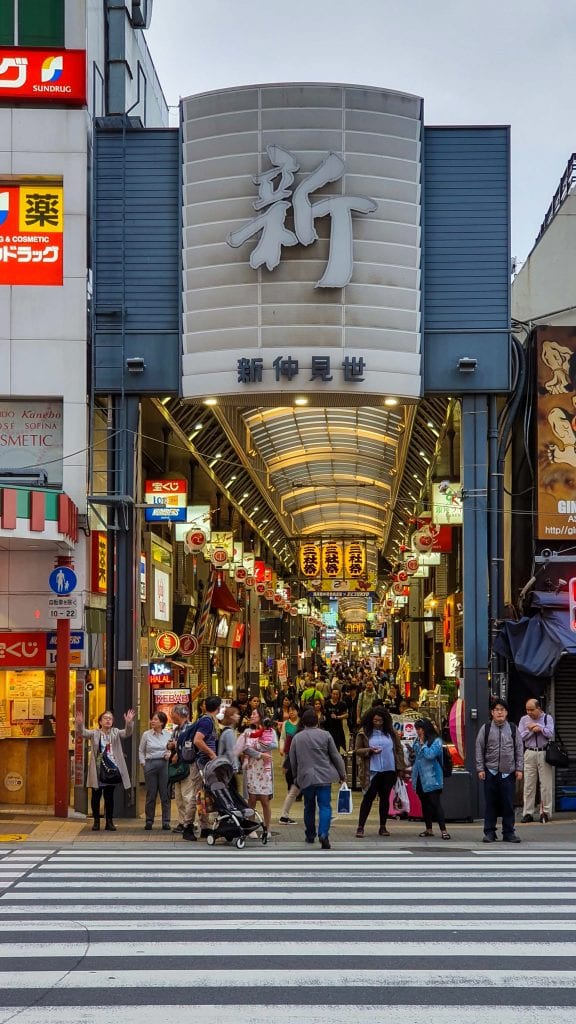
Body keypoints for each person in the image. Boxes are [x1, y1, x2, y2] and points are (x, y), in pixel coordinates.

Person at [289, 708, 346, 850]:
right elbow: (335, 756)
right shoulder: (326, 735)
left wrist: (296, 775)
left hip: (306, 777)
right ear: (317, 721)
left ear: (303, 722)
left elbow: (293, 759)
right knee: (325, 806)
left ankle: (310, 834)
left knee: (309, 806)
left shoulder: (297, 738)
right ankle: (323, 833)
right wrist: (342, 773)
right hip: (324, 775)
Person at [76, 707, 135, 831]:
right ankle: (96, 821)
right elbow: (83, 733)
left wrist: (129, 722)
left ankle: (109, 821)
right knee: (96, 796)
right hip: (98, 767)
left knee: (109, 796)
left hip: (112, 768)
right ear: (100, 721)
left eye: (110, 719)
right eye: (105, 718)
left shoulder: (116, 732)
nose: (108, 720)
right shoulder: (95, 733)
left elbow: (127, 733)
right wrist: (80, 724)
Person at [475, 698, 524, 843]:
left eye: (502, 710)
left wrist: (519, 769)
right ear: (492, 712)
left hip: (508, 772)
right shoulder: (486, 728)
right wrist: (480, 768)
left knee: (508, 804)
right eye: (497, 709)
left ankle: (509, 832)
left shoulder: (513, 729)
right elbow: (479, 749)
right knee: (490, 804)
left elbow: (519, 749)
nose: (499, 712)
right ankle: (489, 832)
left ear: (507, 712)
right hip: (490, 772)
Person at [354, 706, 405, 837]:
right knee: (368, 798)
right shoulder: (364, 732)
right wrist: (369, 751)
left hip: (389, 769)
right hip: (372, 770)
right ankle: (360, 827)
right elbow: (357, 750)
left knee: (385, 799)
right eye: (375, 720)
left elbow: (398, 750)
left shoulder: (391, 733)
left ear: (385, 720)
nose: (377, 723)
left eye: (380, 721)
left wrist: (400, 768)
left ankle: (383, 826)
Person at [183, 694, 222, 841]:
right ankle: (187, 827)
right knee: (196, 795)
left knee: (203, 795)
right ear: (218, 708)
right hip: (200, 763)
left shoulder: (208, 720)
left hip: (204, 763)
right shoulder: (207, 722)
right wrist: (212, 754)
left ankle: (204, 827)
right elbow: (198, 740)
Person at [235, 707, 278, 834]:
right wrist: (259, 754)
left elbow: (274, 744)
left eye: (254, 714)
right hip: (252, 768)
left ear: (260, 716)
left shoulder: (269, 730)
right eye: (251, 714)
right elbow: (245, 748)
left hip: (265, 770)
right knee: (251, 799)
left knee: (265, 800)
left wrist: (259, 746)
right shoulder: (247, 731)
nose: (252, 716)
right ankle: (251, 827)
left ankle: (267, 827)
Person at [411, 717, 450, 841]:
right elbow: (416, 757)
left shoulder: (436, 741)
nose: (418, 731)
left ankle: (444, 830)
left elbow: (430, 755)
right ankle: (428, 829)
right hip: (419, 777)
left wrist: (422, 744)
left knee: (435, 803)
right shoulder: (417, 740)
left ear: (426, 728)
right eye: (417, 729)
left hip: (432, 777)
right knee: (424, 804)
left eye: (420, 728)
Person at [519, 698, 555, 823]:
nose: (529, 712)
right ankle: (527, 813)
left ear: (538, 708)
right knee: (529, 784)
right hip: (529, 752)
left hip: (544, 752)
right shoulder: (524, 720)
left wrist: (539, 727)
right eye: (527, 710)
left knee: (545, 784)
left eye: (532, 710)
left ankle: (545, 812)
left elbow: (550, 733)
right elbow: (520, 737)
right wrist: (530, 730)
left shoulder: (547, 718)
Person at [138, 710, 171, 831]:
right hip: (150, 764)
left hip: (164, 764)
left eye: (156, 719)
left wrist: (169, 753)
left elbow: (171, 748)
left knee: (165, 794)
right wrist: (143, 763)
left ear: (162, 722)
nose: (152, 721)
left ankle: (166, 821)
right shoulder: (146, 734)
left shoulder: (168, 735)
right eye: (152, 719)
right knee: (151, 794)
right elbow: (141, 750)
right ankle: (149, 821)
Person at [167, 704, 195, 833]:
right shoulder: (176, 729)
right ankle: (182, 821)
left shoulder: (190, 728)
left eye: (172, 714)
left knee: (187, 795)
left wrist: (176, 747)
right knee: (178, 796)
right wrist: (172, 745)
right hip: (177, 767)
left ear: (178, 715)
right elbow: (169, 743)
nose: (171, 716)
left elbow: (190, 745)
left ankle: (190, 822)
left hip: (187, 766)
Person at [278, 703, 300, 824]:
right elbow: (282, 738)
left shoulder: (301, 723)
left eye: (293, 710)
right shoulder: (286, 724)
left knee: (295, 788)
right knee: (293, 786)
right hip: (289, 755)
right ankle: (284, 815)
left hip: (298, 756)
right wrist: (281, 748)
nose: (291, 712)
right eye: (289, 710)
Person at [218, 705, 241, 786]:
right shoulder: (229, 733)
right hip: (228, 768)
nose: (238, 716)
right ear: (231, 717)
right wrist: (235, 767)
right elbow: (231, 751)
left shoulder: (227, 731)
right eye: (236, 714)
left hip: (224, 767)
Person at [323, 688, 348, 752]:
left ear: (339, 695)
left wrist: (338, 717)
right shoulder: (327, 703)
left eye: (337, 694)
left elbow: (346, 715)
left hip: (338, 728)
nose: (335, 696)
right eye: (334, 694)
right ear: (331, 694)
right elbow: (323, 713)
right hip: (328, 727)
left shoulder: (342, 704)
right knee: (328, 744)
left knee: (337, 745)